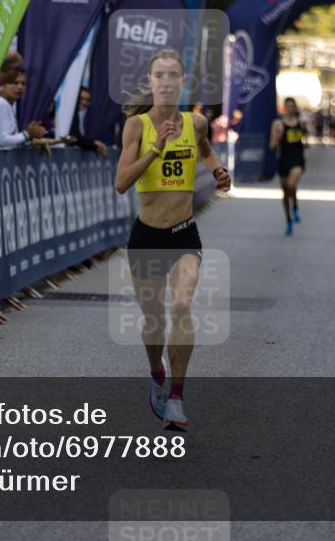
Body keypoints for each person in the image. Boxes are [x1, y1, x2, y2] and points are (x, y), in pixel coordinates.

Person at [114, 49, 231, 432]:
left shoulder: (195, 123)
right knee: (154, 321)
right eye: (159, 75)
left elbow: (207, 150)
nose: (166, 82)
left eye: (172, 75)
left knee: (182, 306)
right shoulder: (136, 126)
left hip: (183, 234)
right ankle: (156, 371)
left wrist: (219, 171)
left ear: (182, 82)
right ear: (151, 82)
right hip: (147, 234)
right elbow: (121, 183)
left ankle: (177, 397)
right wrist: (155, 150)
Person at [0, 67, 50, 149]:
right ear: (2, 85)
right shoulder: (0, 103)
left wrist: (32, 140)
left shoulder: (8, 104)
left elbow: (12, 140)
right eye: (15, 83)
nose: (20, 87)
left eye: (23, 83)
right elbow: (1, 141)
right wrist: (27, 134)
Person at [269, 97, 307, 235]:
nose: (290, 108)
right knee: (285, 193)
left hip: (297, 159)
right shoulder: (278, 124)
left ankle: (295, 206)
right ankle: (288, 220)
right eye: (288, 106)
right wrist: (278, 137)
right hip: (284, 160)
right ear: (284, 108)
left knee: (291, 185)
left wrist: (304, 137)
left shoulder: (301, 122)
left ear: (295, 107)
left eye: (292, 106)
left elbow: (305, 141)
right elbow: (272, 146)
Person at [64, 86, 108, 157]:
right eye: (81, 98)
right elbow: (74, 138)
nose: (84, 102)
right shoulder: (68, 112)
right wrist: (94, 144)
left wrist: (94, 145)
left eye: (87, 100)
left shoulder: (77, 114)